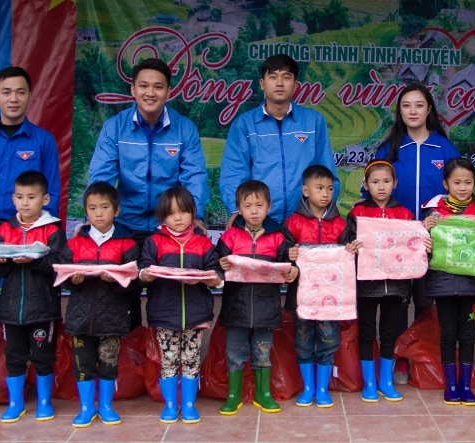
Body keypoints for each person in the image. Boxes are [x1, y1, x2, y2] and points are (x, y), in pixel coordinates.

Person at [374, 84, 460, 384]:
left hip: (432, 240)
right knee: (396, 300)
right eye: (406, 105)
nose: (412, 111)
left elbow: (460, 189)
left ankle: (423, 356)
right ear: (400, 111)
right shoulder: (390, 149)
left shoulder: (444, 148)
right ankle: (397, 358)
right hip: (396, 239)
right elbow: (371, 190)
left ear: (429, 110)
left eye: (419, 105)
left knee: (426, 301)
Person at [88, 58, 209, 236]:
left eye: (158, 87)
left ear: (168, 91)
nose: (150, 93)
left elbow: (194, 176)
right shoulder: (114, 127)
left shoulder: (185, 129)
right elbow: (101, 176)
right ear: (133, 89)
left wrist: (195, 214)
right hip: (124, 223)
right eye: (143, 86)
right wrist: (92, 217)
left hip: (170, 224)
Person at [220, 54, 338, 227]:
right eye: (273, 77)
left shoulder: (313, 122)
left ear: (296, 85)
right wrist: (236, 210)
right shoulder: (244, 125)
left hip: (306, 220)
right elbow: (233, 174)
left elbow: (327, 172)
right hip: (259, 222)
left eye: (287, 77)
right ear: (262, 83)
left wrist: (322, 211)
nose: (280, 83)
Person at [422, 158, 475, 406]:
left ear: (474, 183)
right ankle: (451, 385)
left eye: (468, 182)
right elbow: (422, 247)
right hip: (443, 285)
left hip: (472, 286)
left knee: (468, 335)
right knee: (448, 334)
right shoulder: (433, 211)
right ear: (445, 183)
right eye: (457, 182)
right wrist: (423, 230)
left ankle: (466, 385)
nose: (462, 187)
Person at [138, 187, 223, 424]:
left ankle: (188, 405)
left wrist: (213, 278)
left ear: (193, 213)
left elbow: (216, 272)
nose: (178, 218)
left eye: (183, 212)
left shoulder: (203, 242)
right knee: (169, 359)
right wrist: (147, 274)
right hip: (165, 314)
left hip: (196, 314)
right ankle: (169, 405)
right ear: (162, 216)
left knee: (191, 359)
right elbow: (142, 270)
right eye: (171, 213)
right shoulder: (154, 241)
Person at [0, 171, 66, 423]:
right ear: (12, 198)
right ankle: (16, 402)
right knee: (14, 355)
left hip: (42, 307)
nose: (24, 202)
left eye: (31, 197)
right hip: (11, 308)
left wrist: (34, 261)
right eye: (20, 197)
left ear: (45, 200)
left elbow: (58, 265)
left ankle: (44, 402)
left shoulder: (53, 229)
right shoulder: (3, 229)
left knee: (43, 356)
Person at [342, 160, 421, 403]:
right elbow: (345, 244)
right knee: (367, 333)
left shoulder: (405, 214)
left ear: (395, 183)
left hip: (396, 287)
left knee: (389, 333)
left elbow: (413, 245)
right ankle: (369, 383)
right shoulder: (357, 213)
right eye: (375, 182)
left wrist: (423, 244)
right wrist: (350, 247)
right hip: (366, 285)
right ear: (365, 185)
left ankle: (386, 381)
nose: (381, 187)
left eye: (386, 181)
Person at [61, 182, 140, 428]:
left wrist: (115, 280)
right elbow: (61, 276)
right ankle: (86, 408)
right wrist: (73, 281)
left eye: (104, 207)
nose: (98, 213)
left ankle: (105, 406)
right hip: (80, 317)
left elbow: (134, 282)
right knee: (82, 363)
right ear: (86, 211)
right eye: (92, 208)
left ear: (116, 211)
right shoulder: (75, 243)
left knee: (108, 363)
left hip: (112, 317)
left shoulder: (127, 242)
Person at [216, 180, 297, 415]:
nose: (253, 210)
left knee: (263, 353)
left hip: (266, 306)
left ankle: (263, 394)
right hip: (236, 307)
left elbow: (287, 266)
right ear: (239, 209)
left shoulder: (278, 238)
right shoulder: (230, 237)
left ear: (268, 207)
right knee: (235, 353)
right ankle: (234, 396)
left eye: (259, 205)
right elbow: (216, 265)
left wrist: (292, 270)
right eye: (248, 205)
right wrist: (220, 266)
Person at [0, 67, 61, 225]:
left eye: (20, 92)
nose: (13, 99)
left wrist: (45, 230)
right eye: (6, 92)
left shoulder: (44, 140)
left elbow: (52, 192)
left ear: (30, 96)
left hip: (26, 230)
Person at [283, 164, 347, 409]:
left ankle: (322, 389)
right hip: (302, 298)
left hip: (330, 298)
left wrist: (350, 249)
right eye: (319, 188)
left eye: (330, 189)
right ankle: (308, 388)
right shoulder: (292, 223)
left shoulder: (341, 225)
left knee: (329, 341)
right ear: (305, 190)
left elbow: (348, 255)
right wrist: (288, 256)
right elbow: (283, 258)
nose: (325, 194)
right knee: (303, 341)